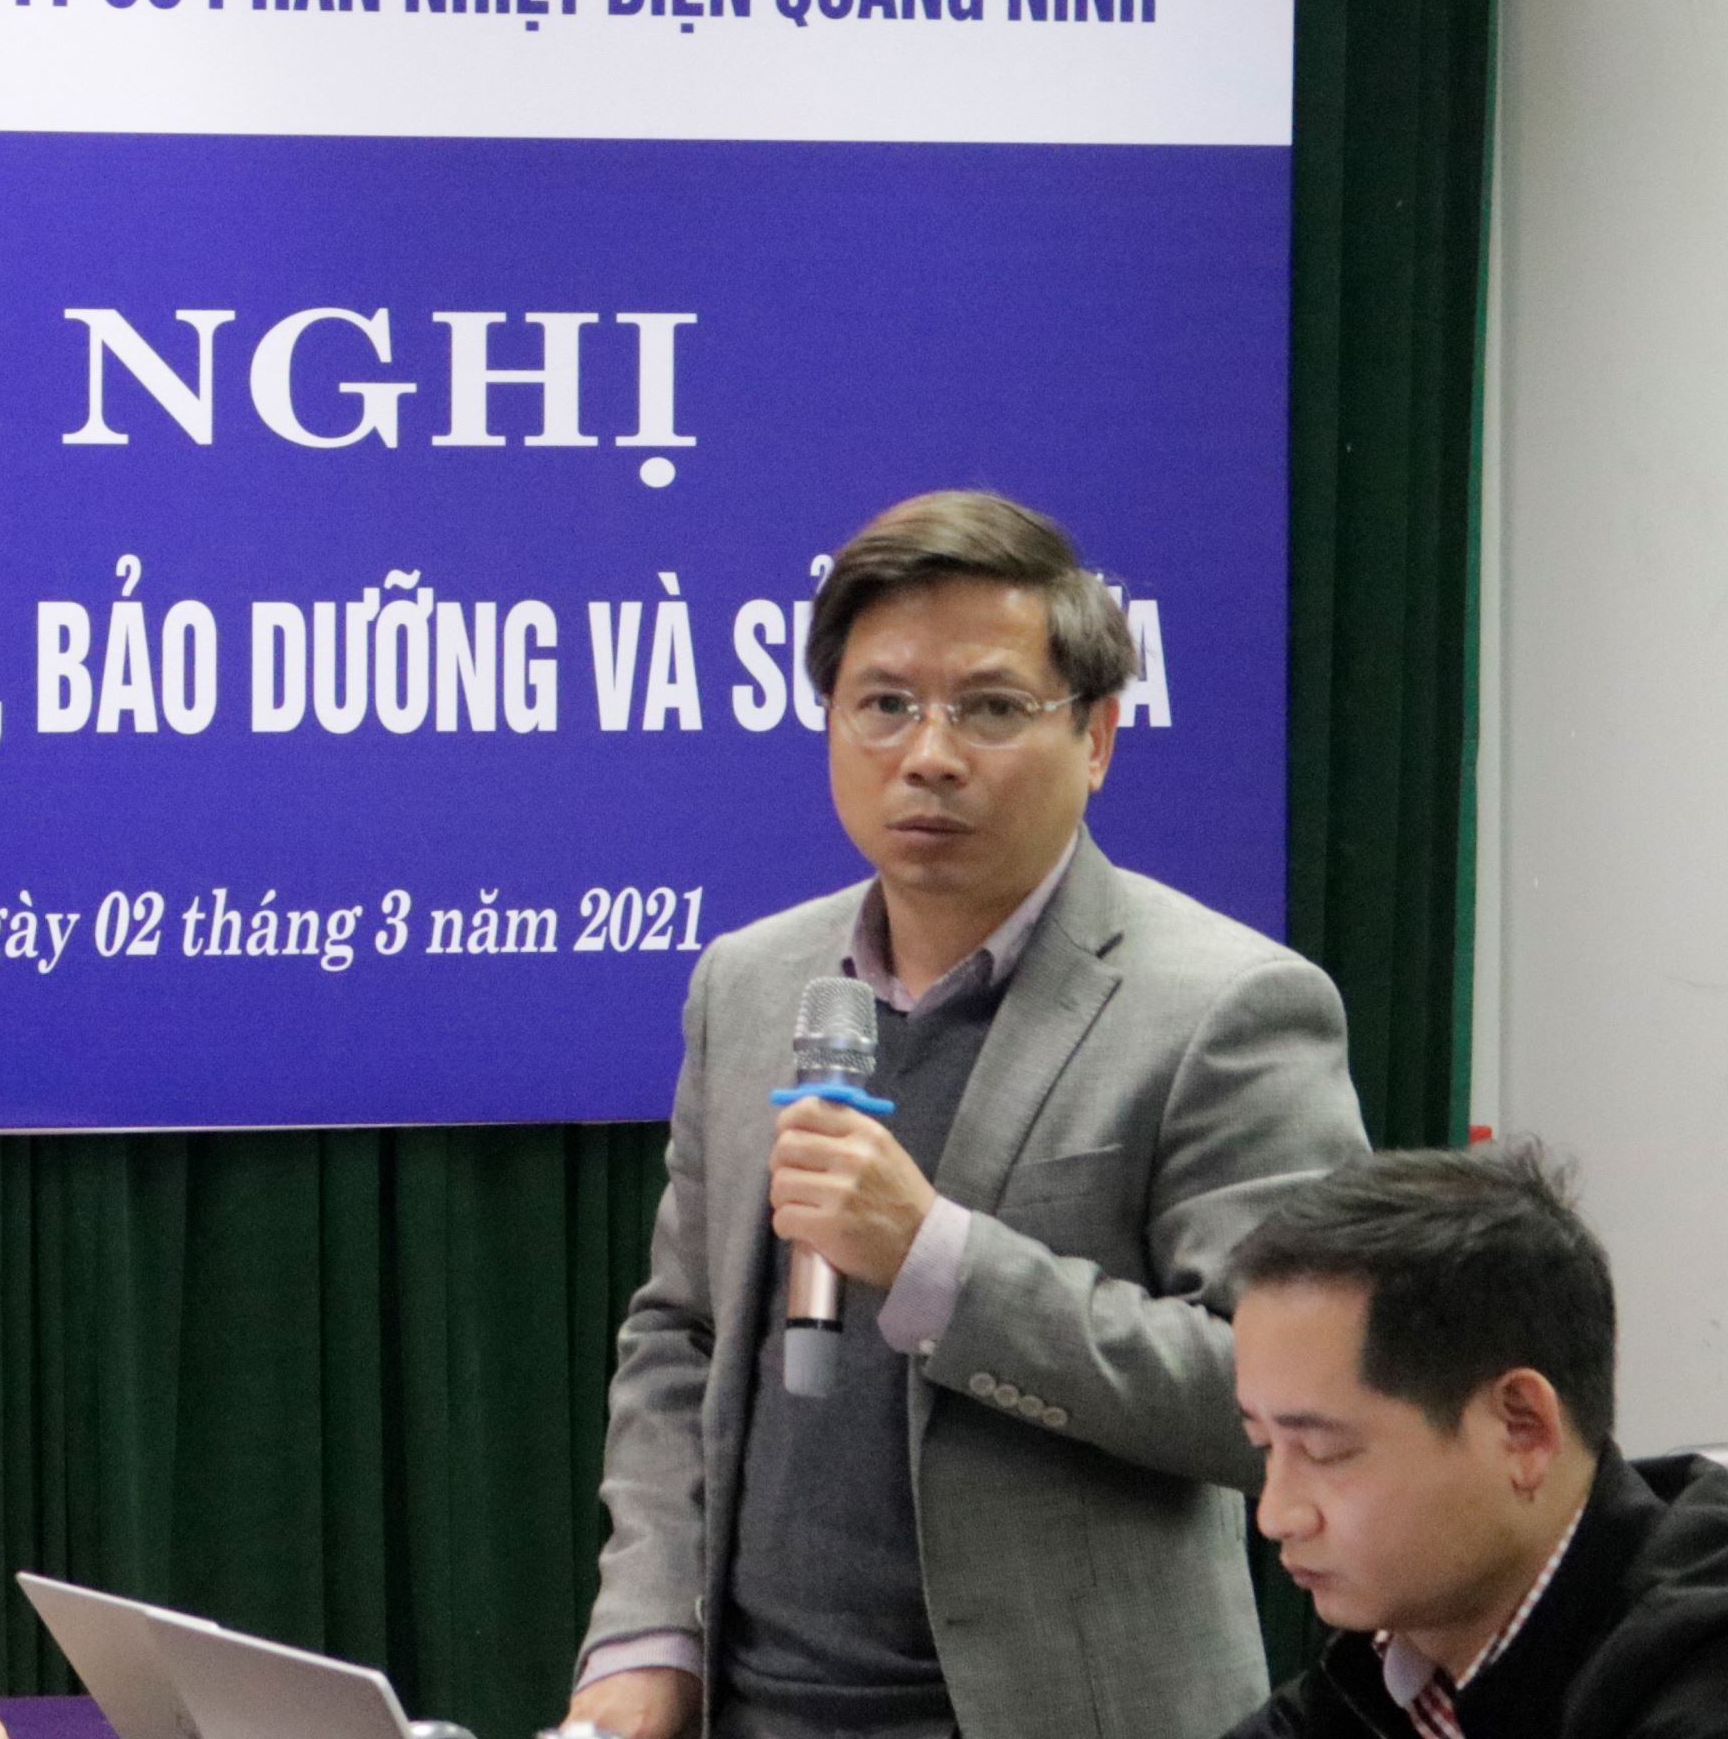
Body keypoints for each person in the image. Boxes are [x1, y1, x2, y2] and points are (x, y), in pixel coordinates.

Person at [567, 489, 1372, 1739]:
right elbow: (680, 1337)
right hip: (755, 1709)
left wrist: (935, 1260)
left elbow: (1284, 1396)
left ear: (1097, 737)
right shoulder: (750, 983)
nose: (929, 754)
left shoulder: (1231, 1006)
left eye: (991, 708)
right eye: (885, 704)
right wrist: (645, 1638)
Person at [1226, 1147, 1728, 1738]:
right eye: (1264, 1447)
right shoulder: (1399, 1644)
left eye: (1325, 1454)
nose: (1276, 1514)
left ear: (1521, 1429)